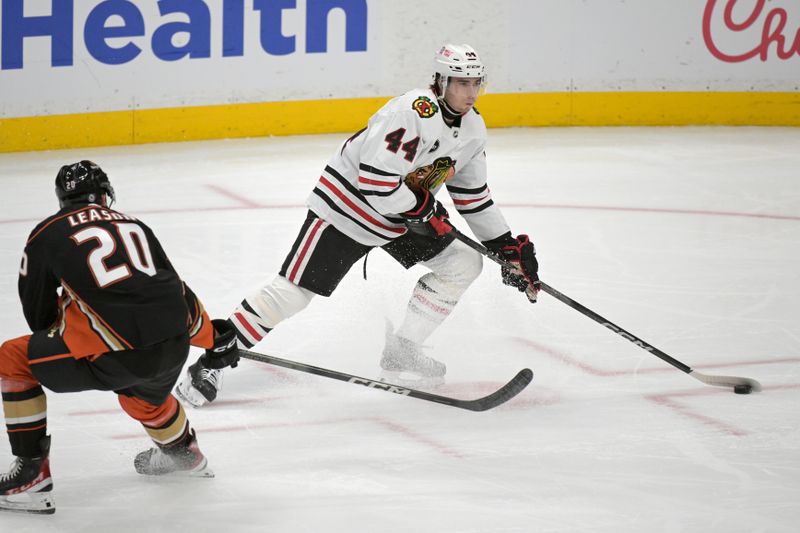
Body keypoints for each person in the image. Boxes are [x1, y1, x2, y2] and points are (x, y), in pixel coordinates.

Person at [177, 43, 540, 407]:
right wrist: (424, 209)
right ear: (440, 81)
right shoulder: (412, 112)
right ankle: (212, 360)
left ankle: (403, 350)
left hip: (399, 216)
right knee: (293, 293)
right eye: (461, 83)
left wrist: (504, 245)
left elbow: (473, 196)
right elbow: (377, 182)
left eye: (476, 83)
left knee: (463, 262)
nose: (471, 93)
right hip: (347, 211)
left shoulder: (473, 129)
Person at [0, 161, 239, 515]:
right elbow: (172, 290)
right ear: (106, 195)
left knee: (12, 358)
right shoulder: (135, 225)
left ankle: (31, 478)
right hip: (173, 347)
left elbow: (39, 315)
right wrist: (212, 338)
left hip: (114, 355)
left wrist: (72, 324)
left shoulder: (47, 232)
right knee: (143, 397)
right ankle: (183, 455)